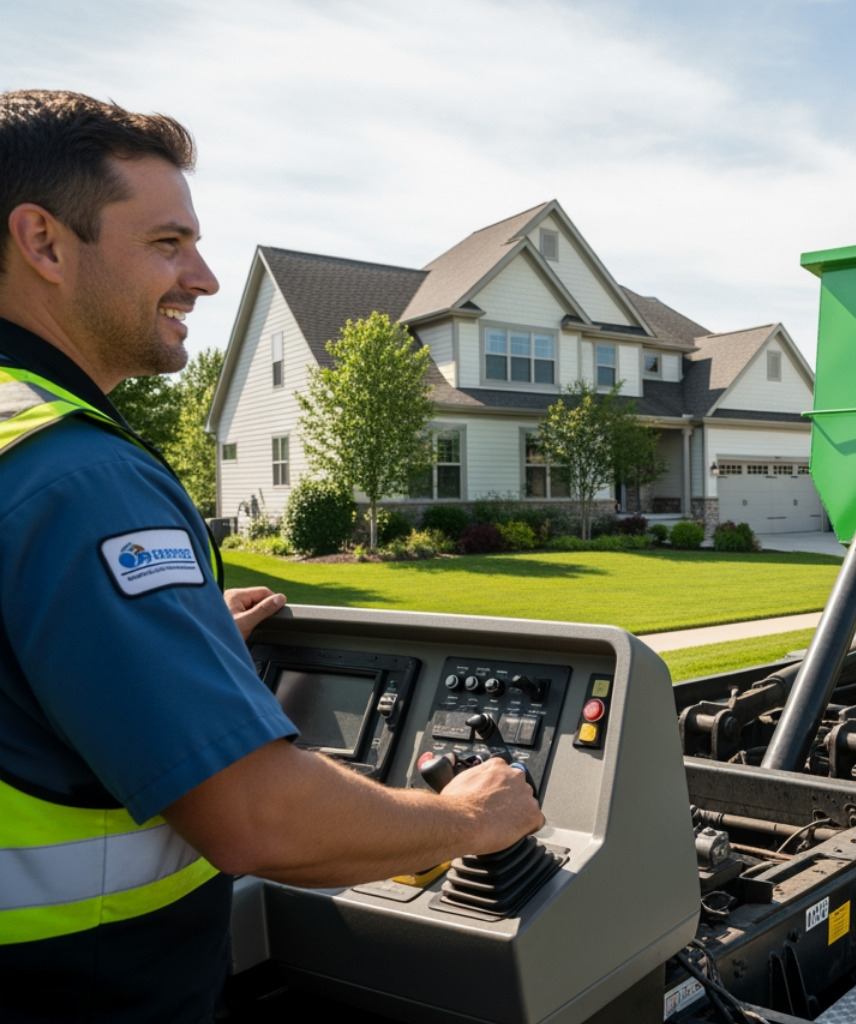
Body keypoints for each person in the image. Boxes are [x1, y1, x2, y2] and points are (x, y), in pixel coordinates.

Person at [0, 90, 544, 1023]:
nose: (204, 279)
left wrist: (167, 640)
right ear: (44, 242)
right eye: (167, 243)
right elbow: (259, 818)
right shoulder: (77, 480)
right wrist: (472, 819)